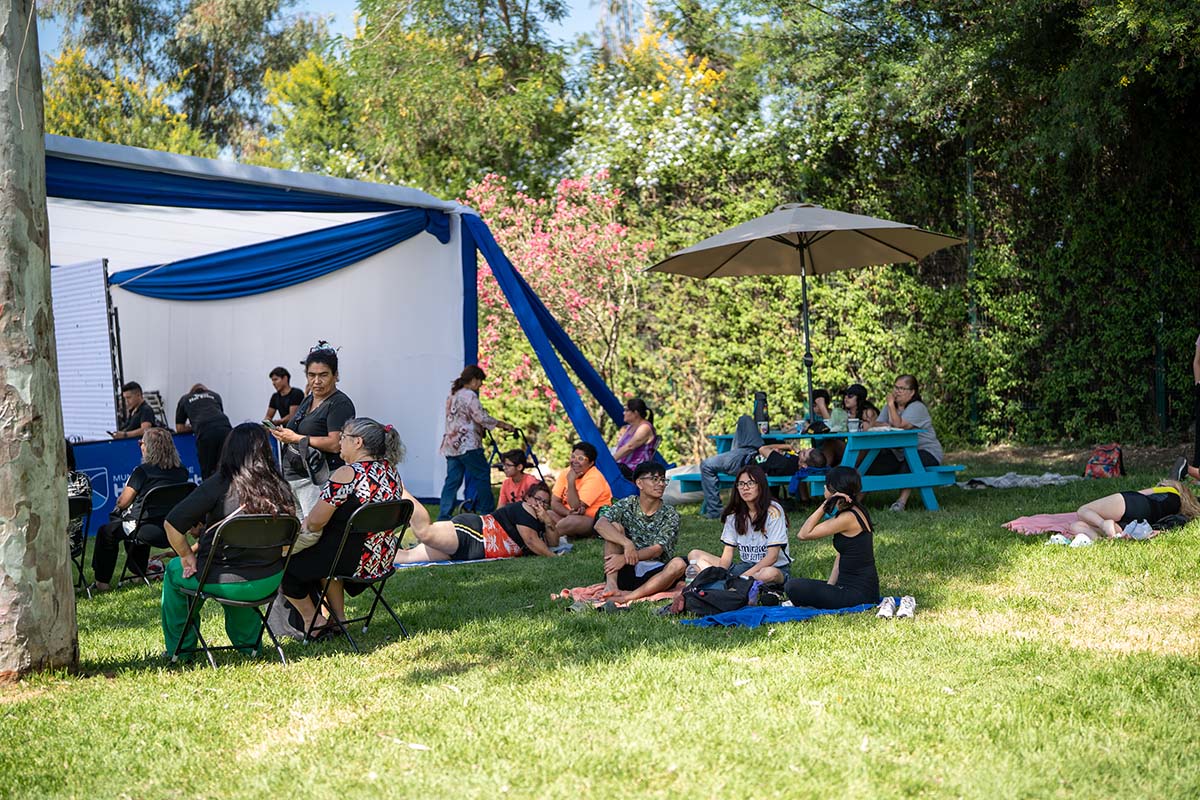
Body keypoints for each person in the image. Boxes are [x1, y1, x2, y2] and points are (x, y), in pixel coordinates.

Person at [161, 423, 298, 659]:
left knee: (175, 574)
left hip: (226, 579)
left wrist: (186, 556)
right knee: (241, 571)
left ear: (229, 450)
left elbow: (171, 524)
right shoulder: (281, 486)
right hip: (269, 579)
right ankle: (249, 646)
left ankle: (180, 651)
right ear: (265, 450)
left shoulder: (218, 485)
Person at [282, 418, 410, 634]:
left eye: (343, 437)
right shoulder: (390, 471)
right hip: (380, 559)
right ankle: (339, 619)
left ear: (358, 442)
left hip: (351, 561)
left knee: (283, 566)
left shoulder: (348, 473)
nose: (340, 442)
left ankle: (312, 621)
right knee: (325, 556)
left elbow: (315, 522)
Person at [89, 427, 191, 592]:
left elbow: (122, 503)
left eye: (141, 442)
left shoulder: (142, 472)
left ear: (149, 447)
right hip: (172, 530)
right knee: (135, 523)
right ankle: (138, 572)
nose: (139, 445)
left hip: (145, 529)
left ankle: (102, 583)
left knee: (106, 532)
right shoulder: (182, 472)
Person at [269, 344, 355, 515]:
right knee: (298, 533)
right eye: (311, 375)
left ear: (336, 375)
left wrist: (294, 438)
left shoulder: (339, 403)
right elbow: (296, 430)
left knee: (313, 533)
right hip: (295, 478)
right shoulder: (308, 399)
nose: (316, 381)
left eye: (323, 375)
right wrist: (282, 433)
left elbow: (336, 444)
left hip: (318, 478)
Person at [784, 466, 880, 609]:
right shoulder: (854, 510)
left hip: (859, 595)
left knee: (793, 587)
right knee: (800, 586)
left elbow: (803, 534)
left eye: (827, 485)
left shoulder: (848, 517)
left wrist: (825, 504)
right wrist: (830, 587)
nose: (824, 487)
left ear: (834, 490)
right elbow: (841, 555)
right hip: (849, 588)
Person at [677, 464, 790, 585]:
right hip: (744, 567)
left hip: (772, 568)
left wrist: (744, 576)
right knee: (694, 555)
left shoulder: (773, 511)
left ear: (760, 486)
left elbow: (772, 557)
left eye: (750, 483)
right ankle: (725, 583)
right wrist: (722, 573)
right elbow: (728, 553)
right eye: (741, 484)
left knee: (769, 574)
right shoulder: (734, 514)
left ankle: (728, 583)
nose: (745, 488)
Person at [395, 481, 560, 564]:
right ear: (528, 498)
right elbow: (531, 541)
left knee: (408, 557)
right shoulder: (525, 508)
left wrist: (547, 521)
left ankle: (372, 556)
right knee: (426, 532)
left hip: (471, 550)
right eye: (537, 499)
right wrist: (554, 558)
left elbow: (553, 543)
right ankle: (398, 487)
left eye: (545, 502)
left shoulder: (541, 520)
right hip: (472, 533)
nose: (540, 505)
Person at [594, 461, 683, 603]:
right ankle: (611, 585)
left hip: (655, 575)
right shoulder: (627, 504)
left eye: (663, 479)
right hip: (624, 571)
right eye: (654, 479)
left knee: (679, 564)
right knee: (615, 527)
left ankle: (628, 597)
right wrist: (626, 543)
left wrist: (624, 558)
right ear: (639, 483)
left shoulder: (671, 514)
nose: (660, 484)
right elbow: (600, 525)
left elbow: (657, 550)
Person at [437, 365, 514, 520]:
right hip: (468, 444)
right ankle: (487, 512)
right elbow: (481, 417)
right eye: (479, 381)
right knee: (482, 475)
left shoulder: (452, 395)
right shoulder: (470, 396)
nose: (480, 385)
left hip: (452, 445)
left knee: (452, 481)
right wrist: (503, 425)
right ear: (473, 380)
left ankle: (444, 516)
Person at [865, 374, 943, 511]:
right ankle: (855, 501)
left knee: (910, 463)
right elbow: (877, 423)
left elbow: (898, 425)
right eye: (895, 387)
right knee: (872, 464)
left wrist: (890, 405)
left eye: (901, 388)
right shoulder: (891, 407)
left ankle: (900, 503)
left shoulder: (917, 407)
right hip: (899, 452)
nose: (897, 391)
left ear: (912, 392)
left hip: (927, 451)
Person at [1066, 480, 1200, 545]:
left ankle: (1104, 524)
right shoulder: (1176, 510)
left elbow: (1140, 494)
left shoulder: (1171, 490)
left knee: (1083, 510)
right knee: (1077, 526)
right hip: (1140, 521)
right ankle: (1105, 540)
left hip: (1137, 503)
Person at [699, 414, 765, 519]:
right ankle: (715, 510)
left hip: (745, 458)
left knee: (706, 465)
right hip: (749, 453)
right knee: (744, 419)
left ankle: (715, 510)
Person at [548, 442, 613, 538]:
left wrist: (571, 482)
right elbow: (554, 502)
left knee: (571, 521)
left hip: (593, 521)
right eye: (573, 456)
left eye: (581, 459)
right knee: (548, 514)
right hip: (568, 516)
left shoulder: (595, 477)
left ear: (591, 463)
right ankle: (566, 532)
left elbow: (575, 507)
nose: (575, 461)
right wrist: (567, 513)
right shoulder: (565, 472)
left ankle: (548, 538)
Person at [175, 383, 233, 479]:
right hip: (226, 428)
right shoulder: (215, 395)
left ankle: (210, 491)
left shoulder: (185, 399)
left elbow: (179, 428)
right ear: (207, 390)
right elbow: (219, 415)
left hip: (205, 431)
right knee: (226, 467)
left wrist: (194, 426)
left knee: (208, 470)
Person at [612, 398, 658, 479]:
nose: (623, 413)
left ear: (636, 413)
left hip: (635, 468)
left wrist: (610, 461)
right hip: (623, 465)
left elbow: (630, 447)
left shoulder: (645, 428)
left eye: (626, 410)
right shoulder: (630, 427)